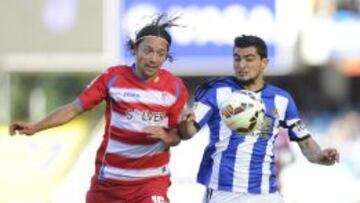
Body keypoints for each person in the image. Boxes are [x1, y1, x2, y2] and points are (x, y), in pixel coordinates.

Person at [9, 14, 189, 203]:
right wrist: (36, 126)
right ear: (136, 49)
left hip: (151, 183)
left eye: (161, 54)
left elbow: (178, 135)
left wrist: (167, 136)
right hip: (109, 183)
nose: (153, 59)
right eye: (148, 51)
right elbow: (74, 108)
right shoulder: (113, 78)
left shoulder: (174, 87)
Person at [178, 35, 339, 203]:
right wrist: (185, 122)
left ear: (264, 63)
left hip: (265, 194)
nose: (241, 65)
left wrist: (321, 156)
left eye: (249, 59)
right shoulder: (216, 92)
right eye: (237, 59)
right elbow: (187, 132)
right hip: (223, 193)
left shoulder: (282, 100)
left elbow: (305, 143)